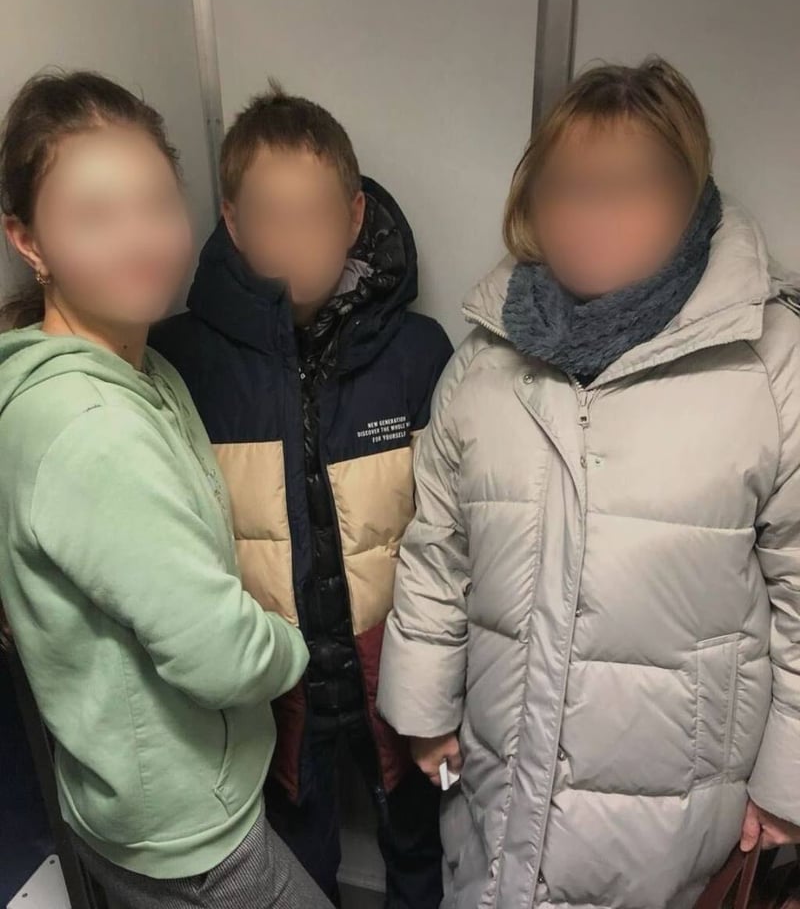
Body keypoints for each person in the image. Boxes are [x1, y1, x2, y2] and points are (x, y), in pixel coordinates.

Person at [377, 56, 800, 909]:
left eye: (630, 186)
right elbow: (436, 551)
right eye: (568, 187)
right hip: (495, 789)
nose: (592, 216)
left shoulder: (771, 364)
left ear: (691, 197)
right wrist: (422, 713)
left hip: (676, 820)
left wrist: (786, 788)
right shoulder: (484, 362)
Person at [0, 70, 333, 909]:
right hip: (188, 830)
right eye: (94, 217)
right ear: (28, 240)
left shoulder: (142, 368)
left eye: (154, 204)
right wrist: (293, 647)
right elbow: (216, 653)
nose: (139, 241)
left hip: (146, 792)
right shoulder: (89, 424)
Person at [149, 79, 452, 908]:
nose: (294, 240)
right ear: (233, 223)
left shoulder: (419, 353)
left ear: (353, 217)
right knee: (296, 865)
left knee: (423, 847)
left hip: (395, 665)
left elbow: (453, 535)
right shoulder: (181, 360)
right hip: (270, 681)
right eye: (270, 217)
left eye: (314, 215)